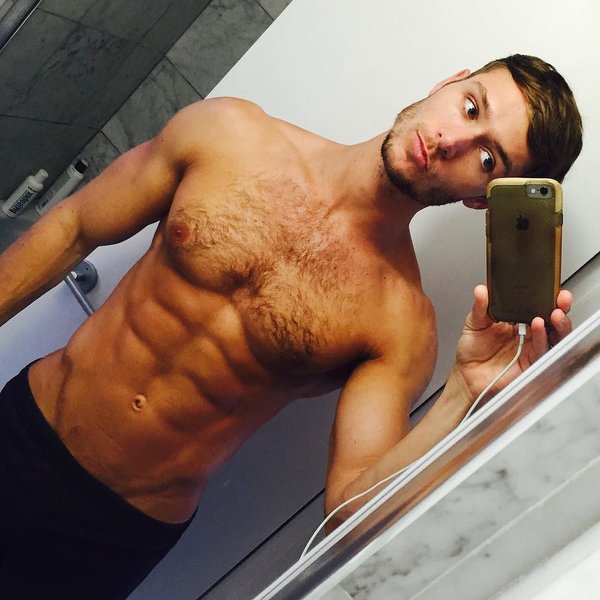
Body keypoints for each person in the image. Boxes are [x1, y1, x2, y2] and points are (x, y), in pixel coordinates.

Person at [0, 54, 582, 598]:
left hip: (113, 531)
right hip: (23, 429)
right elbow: (75, 228)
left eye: (488, 159)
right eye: (471, 106)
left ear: (483, 199)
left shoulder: (400, 322)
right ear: (448, 83)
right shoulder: (230, 134)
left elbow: (350, 514)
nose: (452, 140)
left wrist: (464, 394)